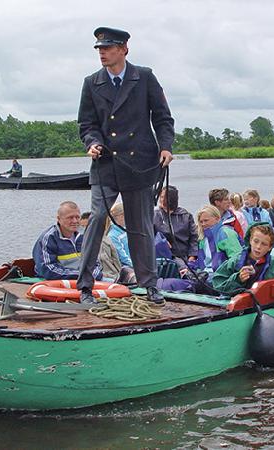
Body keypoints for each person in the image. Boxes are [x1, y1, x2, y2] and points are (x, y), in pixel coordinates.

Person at [76, 27, 174, 304]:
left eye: (107, 48)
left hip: (140, 163)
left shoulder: (144, 77)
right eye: (99, 49)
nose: (102, 53)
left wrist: (166, 147)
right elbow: (87, 124)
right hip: (106, 163)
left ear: (124, 49)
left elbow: (163, 118)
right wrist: (91, 143)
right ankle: (85, 286)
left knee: (140, 225)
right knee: (96, 219)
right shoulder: (91, 82)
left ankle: (149, 285)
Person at [158, 205, 242, 294]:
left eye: (206, 220)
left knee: (169, 285)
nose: (203, 224)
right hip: (204, 278)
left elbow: (238, 259)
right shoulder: (203, 239)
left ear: (217, 219)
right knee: (166, 283)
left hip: (218, 281)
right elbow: (202, 262)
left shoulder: (226, 233)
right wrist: (189, 268)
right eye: (201, 221)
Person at [212, 223, 274, 294]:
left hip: (263, 305)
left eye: (264, 244)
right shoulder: (236, 261)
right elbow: (218, 285)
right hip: (238, 305)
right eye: (256, 241)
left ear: (270, 247)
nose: (258, 247)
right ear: (250, 240)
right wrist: (238, 279)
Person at [33, 201, 102, 280]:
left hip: (85, 280)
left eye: (77, 217)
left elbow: (96, 263)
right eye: (70, 217)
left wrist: (93, 275)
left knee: (116, 285)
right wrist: (81, 275)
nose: (75, 221)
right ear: (59, 219)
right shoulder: (49, 238)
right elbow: (48, 270)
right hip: (56, 283)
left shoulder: (84, 236)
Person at [153, 186, 198, 264]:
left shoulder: (185, 216)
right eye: (161, 197)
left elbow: (194, 237)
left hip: (184, 255)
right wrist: (160, 241)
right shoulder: (154, 215)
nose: (162, 200)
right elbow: (149, 235)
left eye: (165, 197)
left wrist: (193, 255)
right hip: (162, 256)